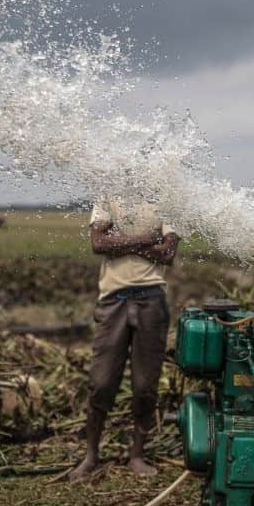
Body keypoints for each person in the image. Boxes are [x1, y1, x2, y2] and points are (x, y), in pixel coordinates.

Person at [69, 196, 180, 480]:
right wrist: (147, 239)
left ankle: (137, 455)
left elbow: (167, 253)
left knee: (145, 385)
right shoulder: (108, 195)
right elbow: (99, 244)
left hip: (151, 300)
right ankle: (91, 455)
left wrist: (122, 241)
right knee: (101, 382)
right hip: (112, 300)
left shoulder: (170, 198)